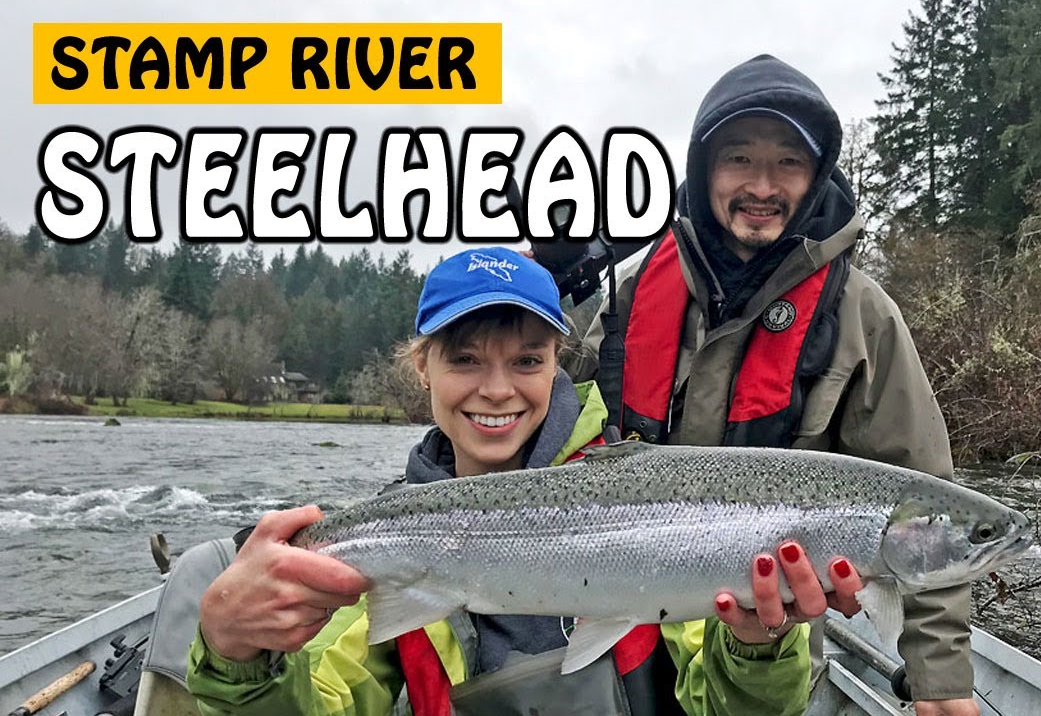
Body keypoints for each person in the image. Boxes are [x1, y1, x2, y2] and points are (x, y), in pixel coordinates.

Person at [185, 246, 864, 716]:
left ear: (558, 365)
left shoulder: (656, 503)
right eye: (466, 359)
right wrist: (236, 656)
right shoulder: (389, 536)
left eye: (527, 359)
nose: (498, 388)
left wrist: (758, 644)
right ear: (422, 368)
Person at [563, 54, 980, 715]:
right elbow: (549, 417)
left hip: (770, 649)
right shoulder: (635, 292)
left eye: (787, 162)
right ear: (705, 175)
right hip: (626, 607)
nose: (763, 185)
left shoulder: (862, 316)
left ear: (816, 177)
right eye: (739, 160)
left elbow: (921, 513)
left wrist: (941, 683)